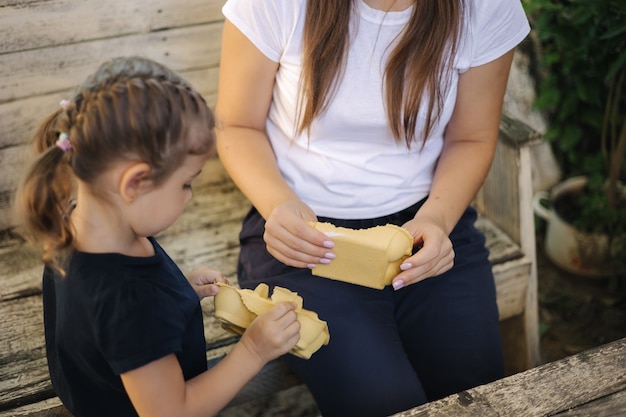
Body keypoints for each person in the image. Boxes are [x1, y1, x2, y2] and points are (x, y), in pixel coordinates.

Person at [215, 0, 530, 416]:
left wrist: (436, 219)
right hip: (304, 240)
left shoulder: (487, 7)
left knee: (477, 399)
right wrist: (279, 204)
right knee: (385, 401)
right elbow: (237, 125)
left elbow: (471, 138)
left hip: (425, 228)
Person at [14, 56, 301, 417]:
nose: (189, 196)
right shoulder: (130, 303)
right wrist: (253, 350)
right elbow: (171, 411)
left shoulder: (78, 221)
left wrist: (179, 294)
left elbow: (104, 325)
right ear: (135, 182)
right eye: (185, 183)